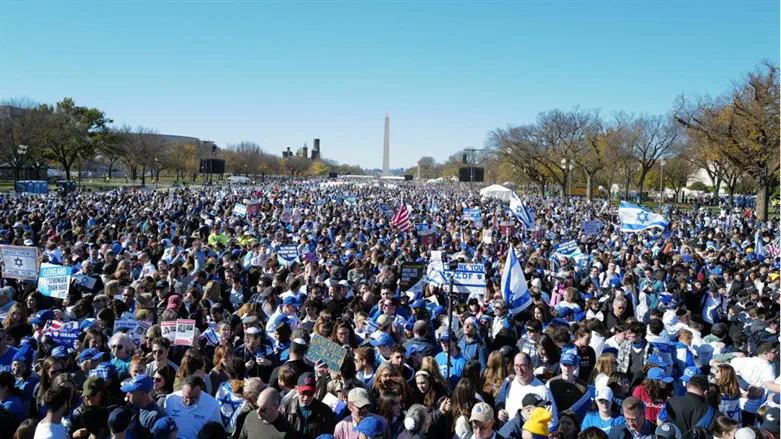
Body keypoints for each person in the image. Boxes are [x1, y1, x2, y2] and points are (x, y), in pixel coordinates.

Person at [497, 353, 558, 431]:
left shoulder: (543, 390)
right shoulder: (509, 382)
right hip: (510, 431)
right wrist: (501, 410)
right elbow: (500, 400)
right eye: (516, 365)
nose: (519, 369)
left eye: (523, 365)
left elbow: (552, 422)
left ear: (530, 366)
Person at [280, 372, 336, 439]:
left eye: (310, 393)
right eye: (303, 393)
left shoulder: (325, 411)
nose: (306, 397)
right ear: (296, 389)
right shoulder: (286, 408)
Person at [120, 373, 176, 439]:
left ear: (142, 394)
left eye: (131, 392)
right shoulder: (135, 405)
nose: (127, 395)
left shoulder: (155, 416)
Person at [546, 352, 590, 421]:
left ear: (575, 366)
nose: (567, 368)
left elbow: (583, 410)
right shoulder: (551, 383)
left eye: (570, 365)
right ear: (560, 365)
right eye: (564, 365)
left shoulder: (583, 387)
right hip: (554, 420)